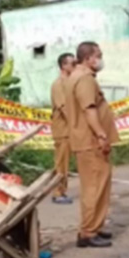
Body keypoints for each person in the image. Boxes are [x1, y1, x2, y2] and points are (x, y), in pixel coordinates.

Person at [64, 42, 119, 248]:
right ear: (88, 58)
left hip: (86, 140)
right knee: (94, 186)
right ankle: (88, 231)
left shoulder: (76, 77)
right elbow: (89, 110)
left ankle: (95, 226)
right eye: (98, 55)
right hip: (90, 141)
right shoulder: (85, 79)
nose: (101, 59)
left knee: (97, 185)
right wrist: (101, 135)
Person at [50, 52, 76, 204]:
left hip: (71, 129)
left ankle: (63, 191)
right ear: (64, 66)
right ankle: (57, 192)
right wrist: (76, 124)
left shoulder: (70, 82)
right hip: (63, 130)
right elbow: (64, 108)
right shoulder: (58, 84)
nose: (75, 66)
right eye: (72, 64)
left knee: (68, 163)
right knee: (61, 163)